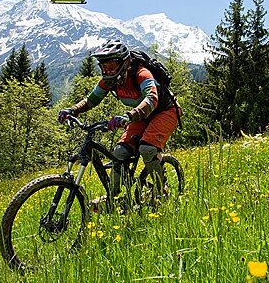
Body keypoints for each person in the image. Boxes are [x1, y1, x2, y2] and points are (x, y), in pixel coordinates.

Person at [58, 39, 181, 204]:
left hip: (165, 111)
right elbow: (91, 100)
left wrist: (128, 116)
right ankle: (113, 199)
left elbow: (152, 99)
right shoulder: (109, 81)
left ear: (124, 63)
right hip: (140, 115)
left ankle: (162, 191)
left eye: (111, 66)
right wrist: (72, 110)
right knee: (120, 152)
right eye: (104, 67)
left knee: (147, 148)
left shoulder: (141, 73)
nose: (107, 70)